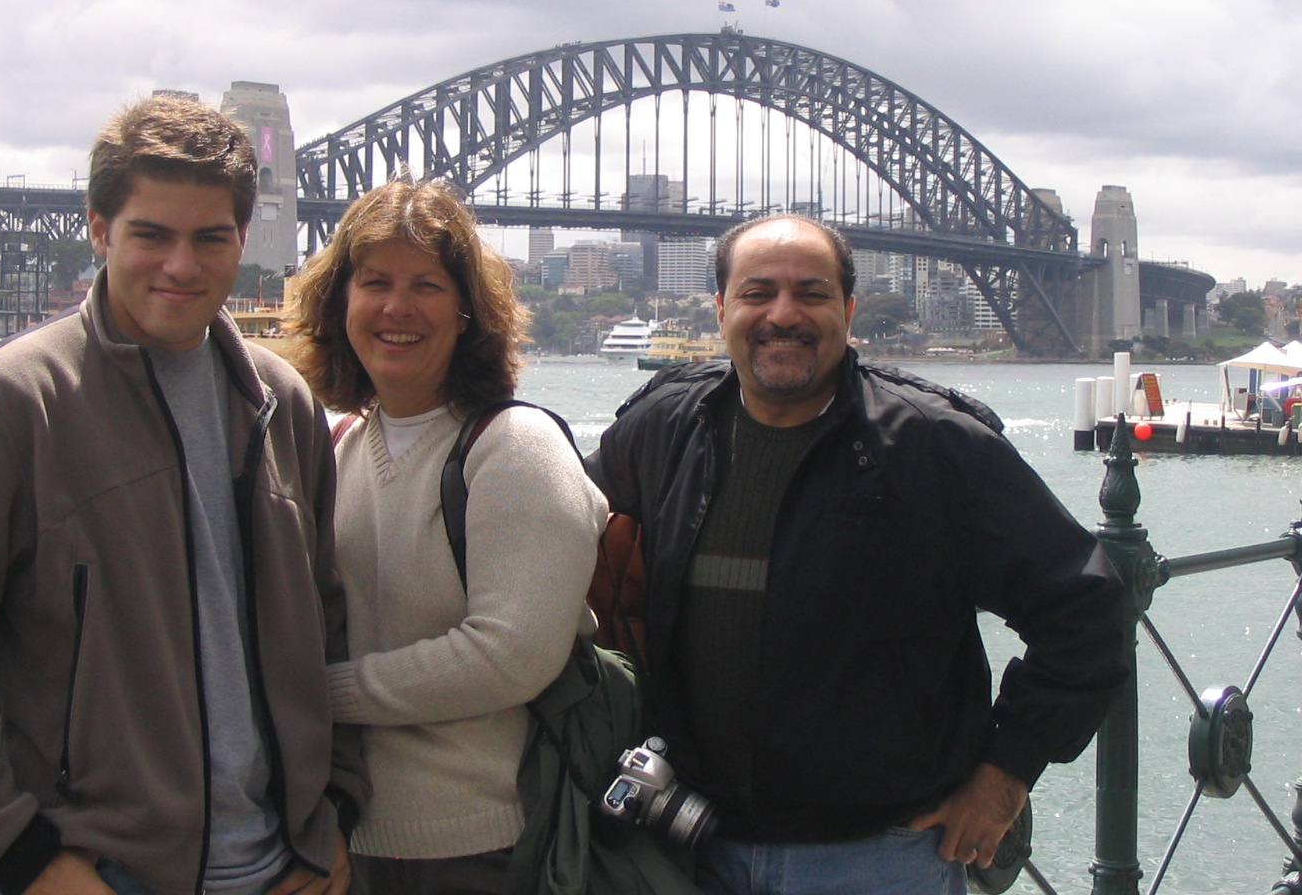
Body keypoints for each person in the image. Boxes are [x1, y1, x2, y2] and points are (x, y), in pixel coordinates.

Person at [0, 96, 367, 895]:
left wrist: (334, 808)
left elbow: (327, 630)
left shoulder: (282, 404)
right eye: (151, 235)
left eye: (210, 238)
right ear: (99, 230)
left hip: (282, 868)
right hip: (91, 872)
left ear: (242, 239)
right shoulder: (12, 405)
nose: (182, 266)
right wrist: (18, 857)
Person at [585, 214, 1129, 895]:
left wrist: (1006, 773)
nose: (783, 314)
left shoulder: (932, 444)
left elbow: (1087, 609)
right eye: (758, 293)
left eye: (811, 293)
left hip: (879, 858)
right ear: (722, 310)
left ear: (847, 311)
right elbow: (558, 538)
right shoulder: (662, 428)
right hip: (686, 846)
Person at [285, 178, 606, 895]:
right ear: (340, 304)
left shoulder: (514, 447)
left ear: (467, 314)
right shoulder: (335, 447)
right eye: (375, 282)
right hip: (340, 839)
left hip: (481, 849)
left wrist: (310, 695)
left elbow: (510, 656)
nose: (397, 308)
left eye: (426, 285)